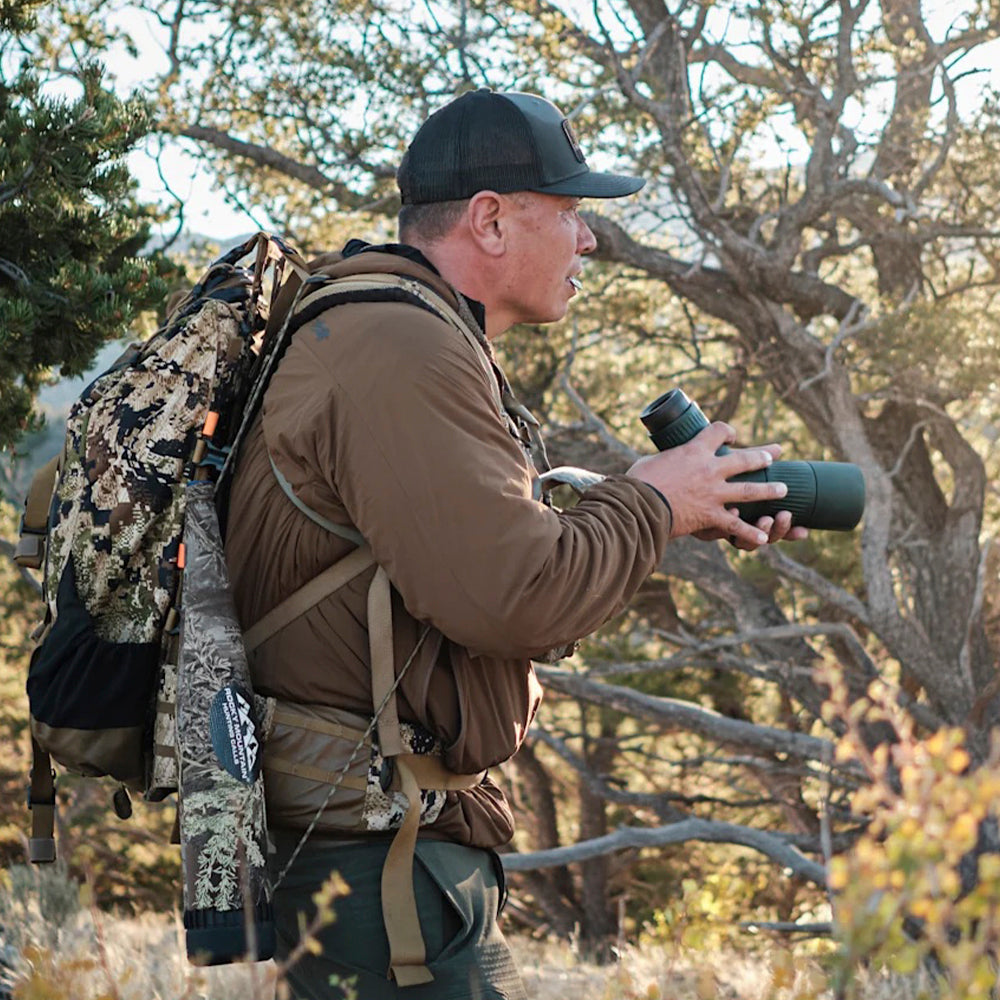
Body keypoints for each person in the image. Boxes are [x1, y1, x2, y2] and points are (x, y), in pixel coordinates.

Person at [224, 89, 805, 999]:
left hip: (396, 848)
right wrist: (652, 504)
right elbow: (514, 598)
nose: (590, 240)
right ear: (490, 221)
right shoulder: (400, 348)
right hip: (379, 870)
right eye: (570, 212)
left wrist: (679, 507)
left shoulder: (401, 332)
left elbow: (481, 579)